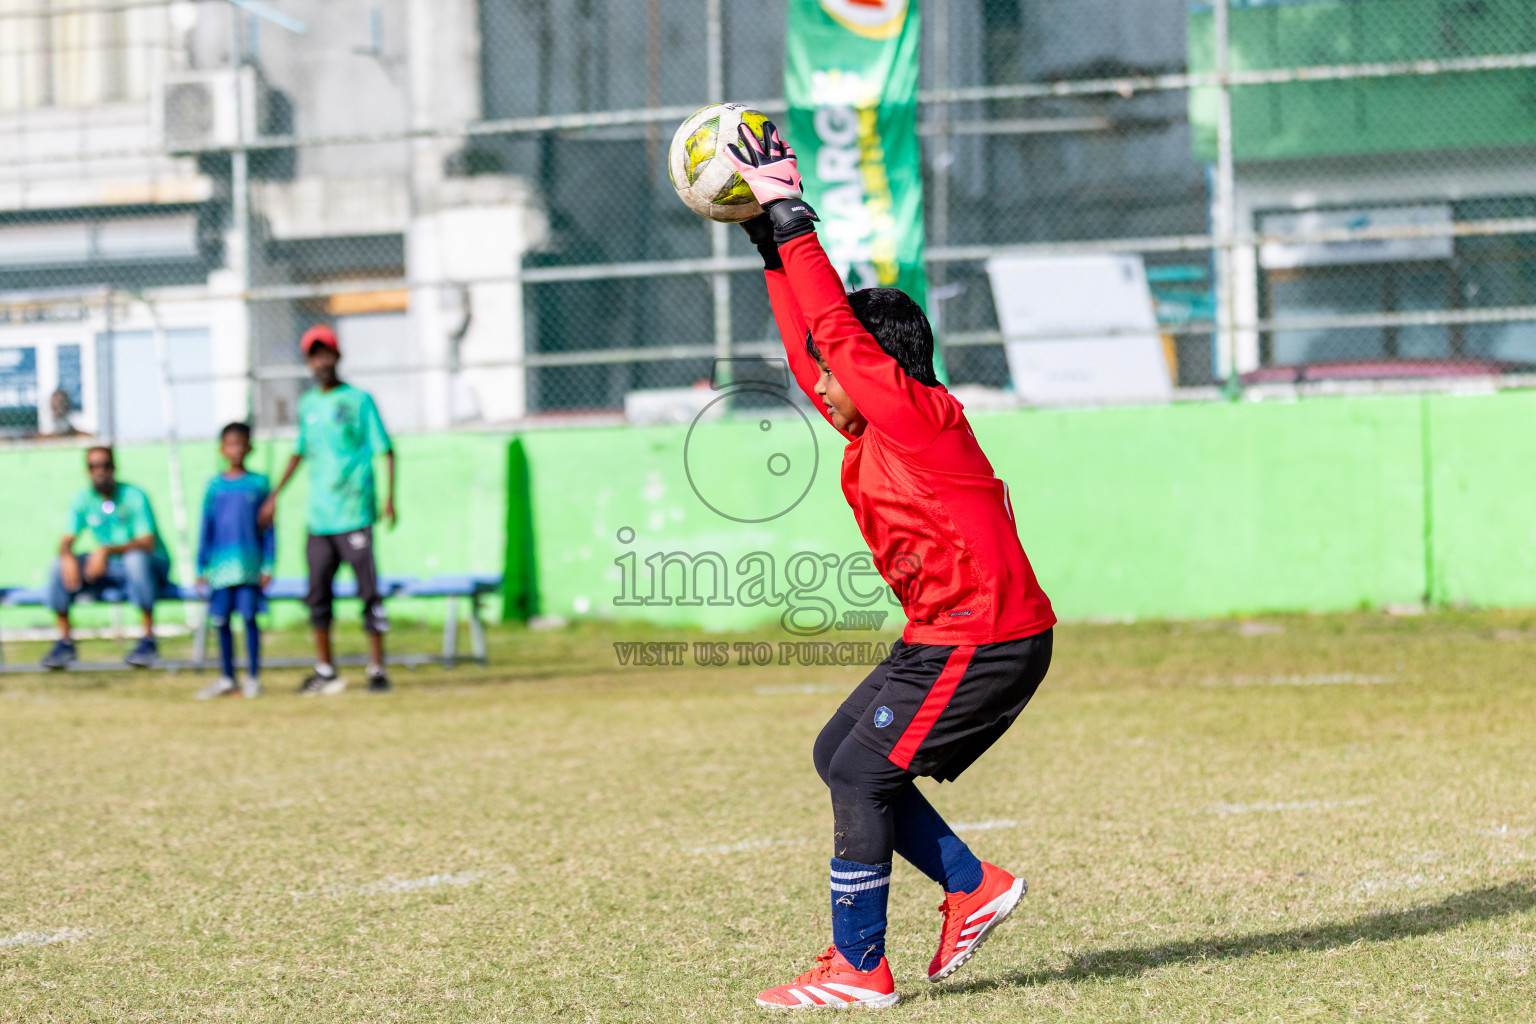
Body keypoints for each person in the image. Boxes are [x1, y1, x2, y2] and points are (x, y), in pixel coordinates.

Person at [725, 124, 1057, 1009]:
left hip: (984, 639)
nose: (818, 379)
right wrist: (766, 243)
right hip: (947, 637)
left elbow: (832, 328)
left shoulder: (919, 416)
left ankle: (860, 967)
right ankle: (973, 885)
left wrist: (790, 211)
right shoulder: (875, 433)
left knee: (863, 770)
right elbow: (813, 348)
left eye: (841, 367)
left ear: (876, 366)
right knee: (841, 755)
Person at [260, 324, 397, 695]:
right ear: (308, 362)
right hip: (319, 518)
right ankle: (325, 669)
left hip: (354, 512)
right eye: (313, 355)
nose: (321, 362)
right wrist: (275, 494)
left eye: (326, 353)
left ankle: (377, 669)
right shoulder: (308, 405)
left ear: (337, 357)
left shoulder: (359, 400)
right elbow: (300, 451)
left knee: (368, 593)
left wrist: (389, 498)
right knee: (317, 595)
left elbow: (386, 448)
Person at [42, 446, 173, 670]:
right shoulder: (83, 500)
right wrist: (67, 556)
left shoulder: (133, 496)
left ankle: (148, 640)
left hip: (149, 566)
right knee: (57, 565)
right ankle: (64, 643)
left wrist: (105, 551)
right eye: (93, 466)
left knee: (135, 560)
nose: (99, 471)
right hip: (110, 568)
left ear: (114, 468)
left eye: (104, 465)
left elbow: (146, 542)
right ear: (87, 470)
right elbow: (66, 539)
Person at [194, 422, 274, 700]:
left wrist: (269, 564)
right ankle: (227, 677)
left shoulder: (260, 484)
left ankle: (253, 677)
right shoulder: (214, 487)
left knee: (250, 618)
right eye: (230, 444)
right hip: (220, 568)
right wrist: (200, 566)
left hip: (250, 567)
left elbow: (269, 529)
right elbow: (206, 528)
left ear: (249, 447)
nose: (235, 449)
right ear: (222, 449)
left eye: (240, 443)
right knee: (221, 620)